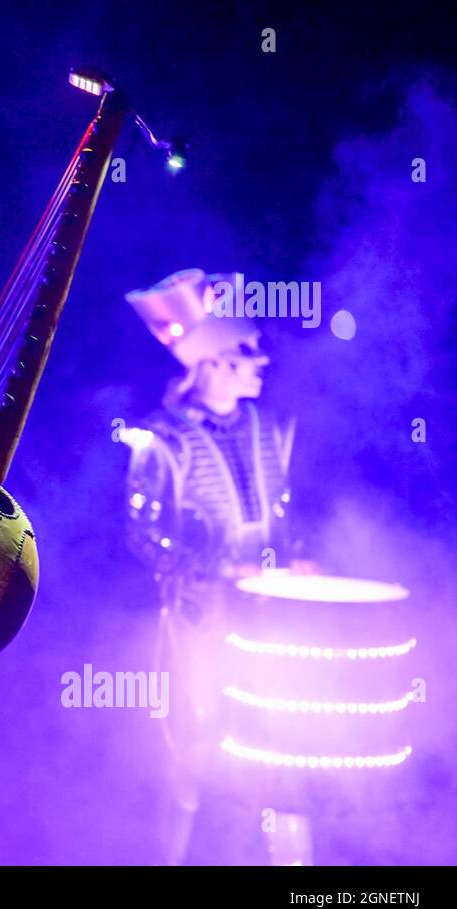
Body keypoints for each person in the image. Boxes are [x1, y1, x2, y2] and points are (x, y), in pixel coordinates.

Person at [123, 268, 313, 865]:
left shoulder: (268, 427)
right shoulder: (161, 439)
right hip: (200, 616)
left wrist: (294, 559)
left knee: (284, 743)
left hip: (270, 612)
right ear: (212, 364)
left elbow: (281, 514)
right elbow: (142, 534)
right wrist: (208, 569)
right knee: (192, 749)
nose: (260, 362)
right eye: (245, 352)